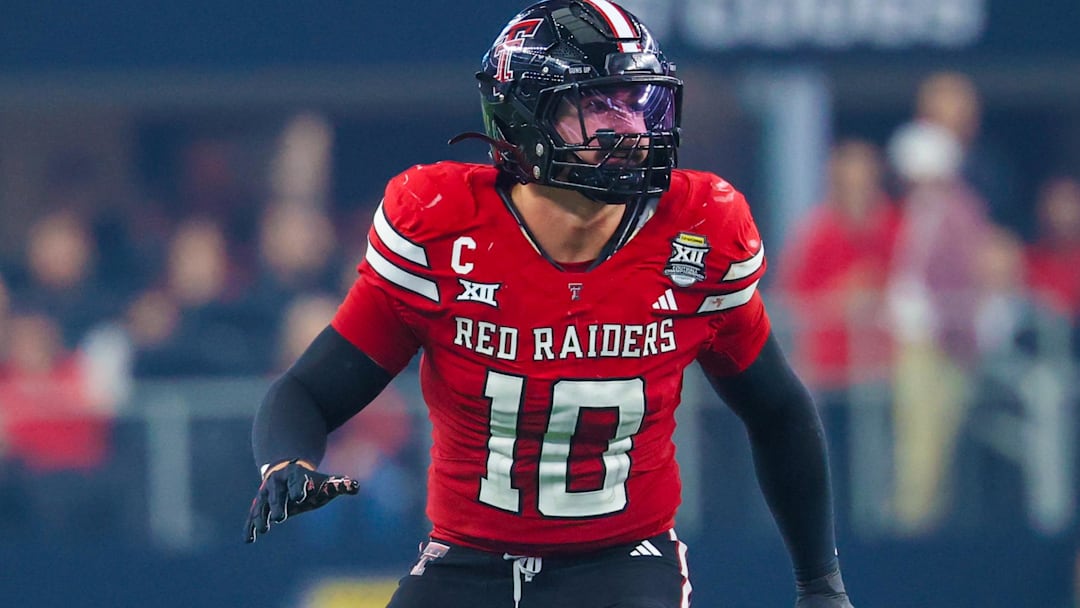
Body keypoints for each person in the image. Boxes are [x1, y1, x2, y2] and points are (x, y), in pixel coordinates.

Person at [243, 2, 854, 607]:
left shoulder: (699, 232)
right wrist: (284, 461)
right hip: (465, 563)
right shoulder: (441, 227)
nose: (632, 130)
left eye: (637, 103)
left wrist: (819, 586)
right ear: (523, 118)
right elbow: (307, 392)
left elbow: (777, 411)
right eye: (596, 104)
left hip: (622, 562)